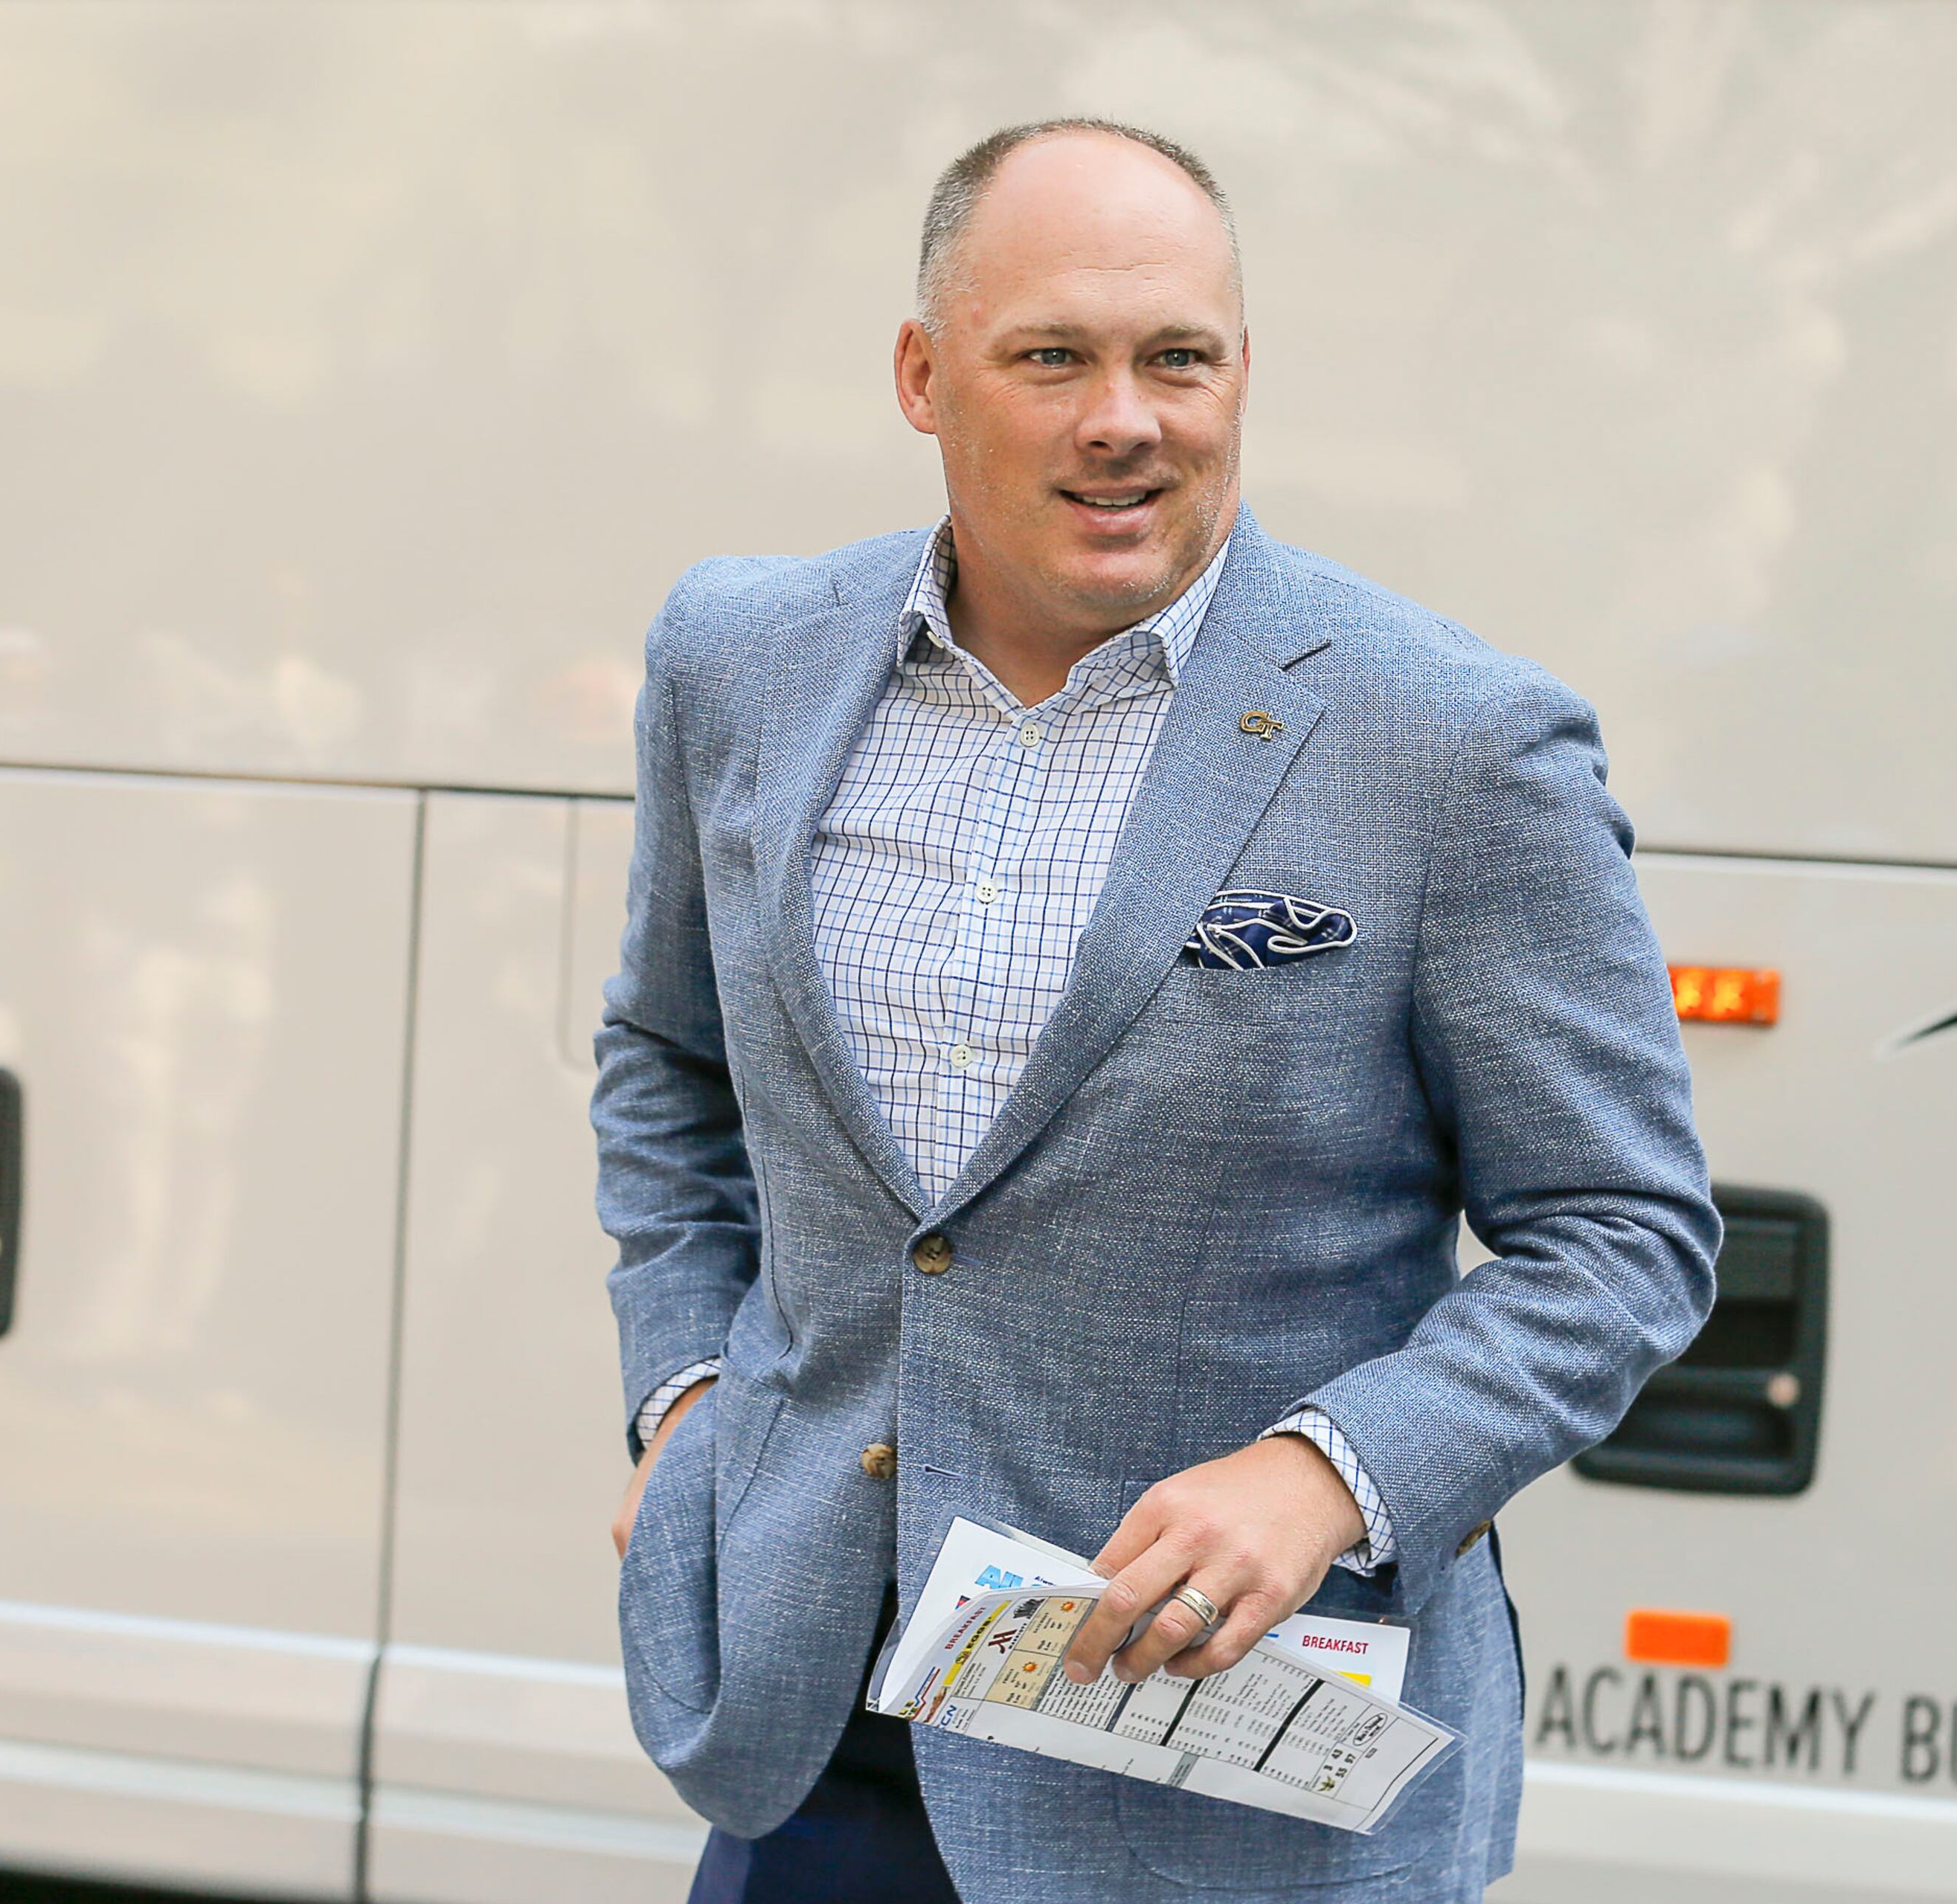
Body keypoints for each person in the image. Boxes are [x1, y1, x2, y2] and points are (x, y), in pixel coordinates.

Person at [591, 118, 1717, 1904]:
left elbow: (1627, 1234)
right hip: (813, 1745)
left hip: (1224, 1786)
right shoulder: (739, 658)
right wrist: (687, 1385)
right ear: (921, 375)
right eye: (1053, 356)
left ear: (1241, 376)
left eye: (1175, 356)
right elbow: (666, 1056)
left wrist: (1327, 1470)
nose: (1126, 414)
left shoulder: (1454, 740)